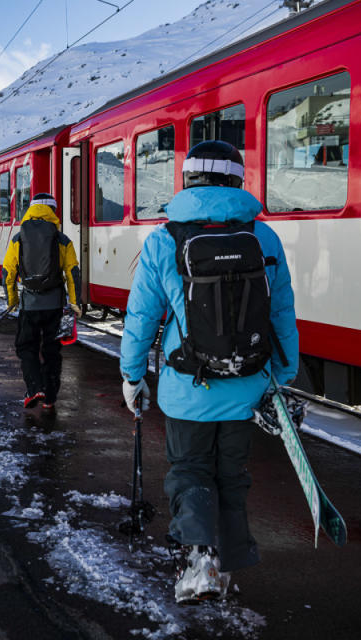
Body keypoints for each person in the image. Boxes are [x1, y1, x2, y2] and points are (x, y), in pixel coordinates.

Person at [119, 140, 299, 604]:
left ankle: (200, 559)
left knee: (190, 470)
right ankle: (230, 560)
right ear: (238, 181)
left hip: (187, 388)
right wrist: (283, 372)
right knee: (232, 474)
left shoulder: (164, 239)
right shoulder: (265, 238)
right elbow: (281, 312)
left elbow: (141, 318)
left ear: (188, 181)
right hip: (246, 386)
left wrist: (131, 374)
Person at [2, 193, 81, 412]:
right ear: (53, 211)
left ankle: (34, 387)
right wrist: (75, 303)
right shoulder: (62, 239)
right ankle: (49, 397)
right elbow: (72, 272)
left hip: (30, 305)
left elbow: (8, 271)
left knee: (26, 347)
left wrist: (12, 300)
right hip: (54, 305)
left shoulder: (19, 238)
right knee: (52, 351)